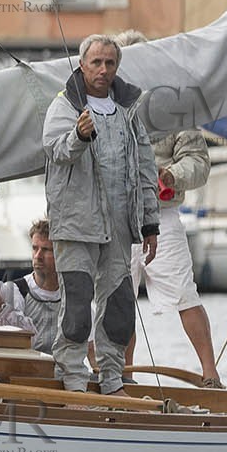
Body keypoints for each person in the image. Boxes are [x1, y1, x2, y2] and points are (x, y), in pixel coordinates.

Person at [42, 34, 160, 396]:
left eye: (110, 63)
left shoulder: (128, 110)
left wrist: (150, 222)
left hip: (120, 227)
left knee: (120, 308)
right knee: (76, 305)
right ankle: (73, 376)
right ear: (82, 64)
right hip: (76, 224)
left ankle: (111, 378)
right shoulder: (64, 105)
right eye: (96, 62)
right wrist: (78, 135)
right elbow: (54, 149)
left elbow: (145, 165)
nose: (103, 69)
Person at [111, 29, 223, 388]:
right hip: (117, 217)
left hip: (163, 215)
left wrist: (171, 175)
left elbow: (198, 162)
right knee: (118, 299)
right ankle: (124, 377)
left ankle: (210, 374)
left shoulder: (176, 107)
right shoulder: (101, 105)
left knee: (185, 294)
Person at [0, 219, 64, 357]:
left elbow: (89, 349)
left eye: (46, 250)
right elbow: (12, 341)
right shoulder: (15, 290)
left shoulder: (72, 294)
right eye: (35, 248)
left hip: (62, 372)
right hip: (27, 368)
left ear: (61, 253)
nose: (38, 256)